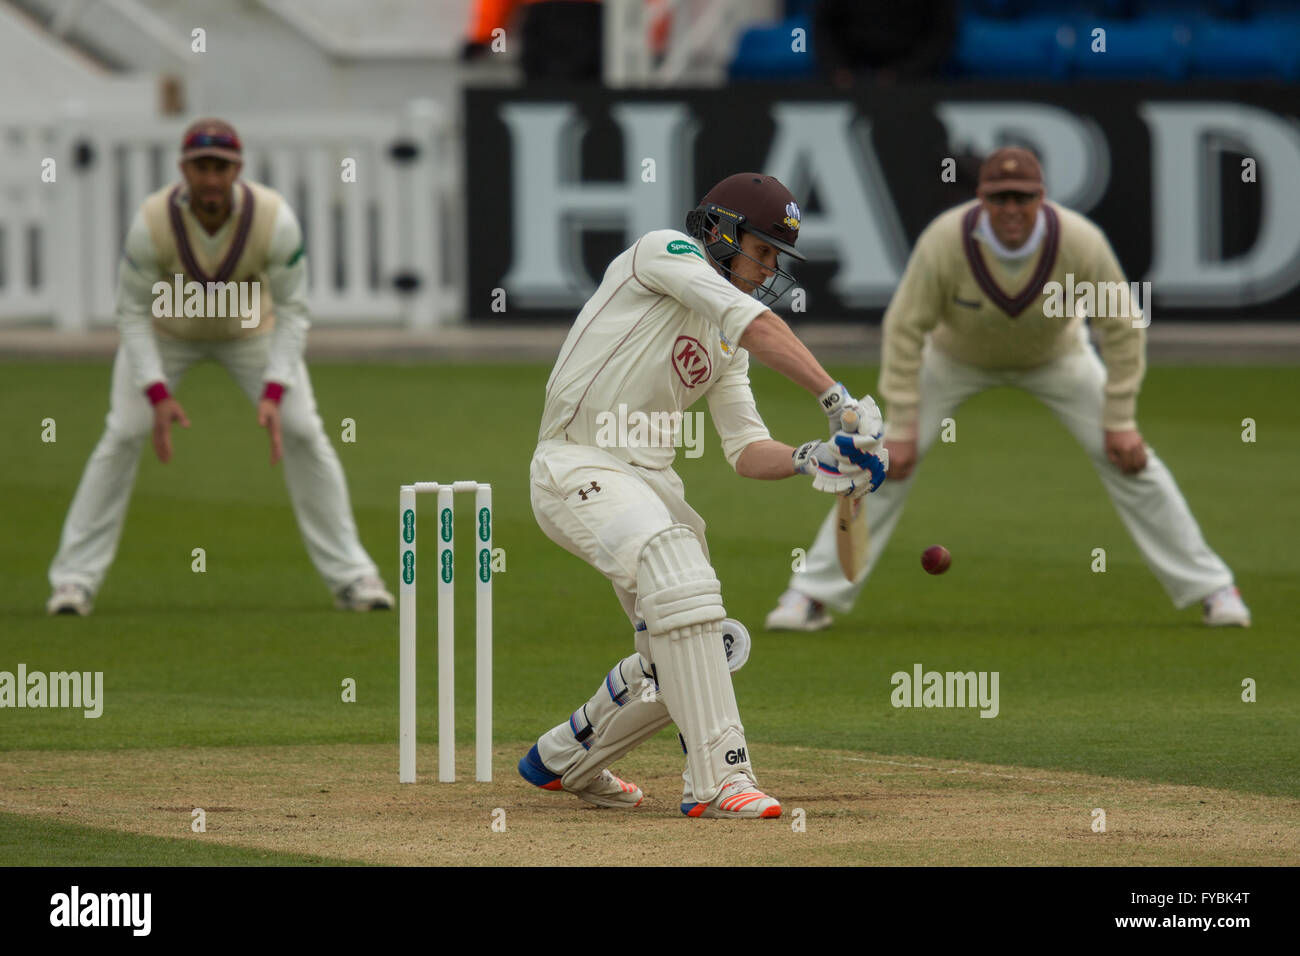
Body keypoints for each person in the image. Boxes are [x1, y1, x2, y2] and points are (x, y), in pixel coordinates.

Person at [518, 173, 888, 818]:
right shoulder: (662, 252)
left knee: (700, 649)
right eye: (764, 251)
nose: (769, 268)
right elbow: (754, 322)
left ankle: (565, 757)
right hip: (576, 461)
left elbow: (746, 450)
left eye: (778, 258)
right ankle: (720, 779)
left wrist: (814, 457)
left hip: (652, 485)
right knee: (678, 569)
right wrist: (837, 399)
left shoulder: (725, 344)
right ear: (719, 231)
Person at [766, 146, 1251, 632]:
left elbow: (1123, 325)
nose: (1012, 210)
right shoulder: (946, 240)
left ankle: (1214, 588)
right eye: (1000, 198)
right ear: (982, 199)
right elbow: (905, 327)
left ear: (1042, 198)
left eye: (1023, 197)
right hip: (955, 358)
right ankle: (809, 596)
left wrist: (1121, 421)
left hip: (1059, 358)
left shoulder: (1080, 241)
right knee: (882, 463)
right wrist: (905, 422)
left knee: (1132, 461)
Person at [46, 119, 393, 616]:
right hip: (168, 334)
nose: (211, 179)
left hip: (252, 332)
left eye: (221, 168)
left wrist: (273, 394)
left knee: (303, 430)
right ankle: (73, 582)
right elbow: (131, 313)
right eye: (201, 167)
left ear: (239, 170)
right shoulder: (153, 221)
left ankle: (354, 576)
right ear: (184, 169)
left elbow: (294, 311)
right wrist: (157, 394)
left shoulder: (274, 219)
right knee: (123, 431)